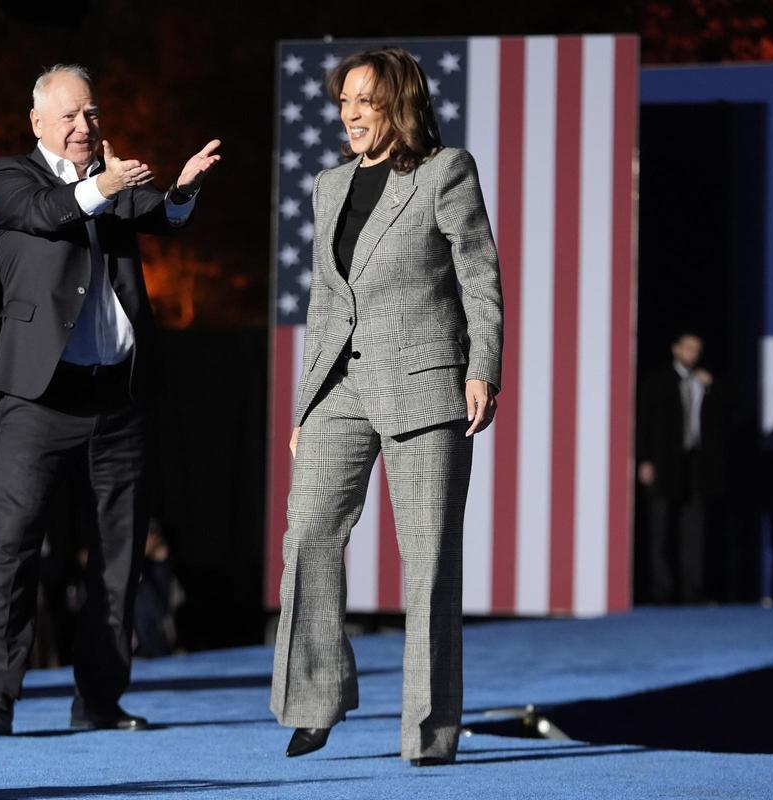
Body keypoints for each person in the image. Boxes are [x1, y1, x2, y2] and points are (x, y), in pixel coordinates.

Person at [0, 64, 220, 735]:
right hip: (40, 396)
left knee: (119, 555)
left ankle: (100, 700)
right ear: (39, 123)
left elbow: (159, 216)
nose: (86, 127)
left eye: (93, 114)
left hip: (118, 396)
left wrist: (183, 192)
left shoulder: (114, 176)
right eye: (72, 117)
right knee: (14, 542)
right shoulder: (10, 177)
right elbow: (50, 215)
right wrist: (103, 185)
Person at [270, 48, 502, 766]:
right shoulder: (327, 185)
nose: (349, 116)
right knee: (306, 534)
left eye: (364, 102)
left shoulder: (445, 172)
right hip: (341, 386)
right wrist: (305, 409)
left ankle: (428, 733)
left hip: (426, 383)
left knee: (428, 563)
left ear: (399, 104)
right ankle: (313, 702)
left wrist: (483, 367)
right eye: (343, 103)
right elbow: (323, 303)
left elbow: (479, 276)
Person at [636, 331, 724, 604]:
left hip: (695, 465)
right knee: (660, 531)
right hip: (664, 463)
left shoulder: (704, 382)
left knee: (693, 532)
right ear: (675, 349)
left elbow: (724, 419)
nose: (692, 354)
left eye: (696, 349)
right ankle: (661, 591)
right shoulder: (657, 381)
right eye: (687, 348)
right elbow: (644, 423)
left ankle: (692, 591)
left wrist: (711, 388)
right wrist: (644, 460)